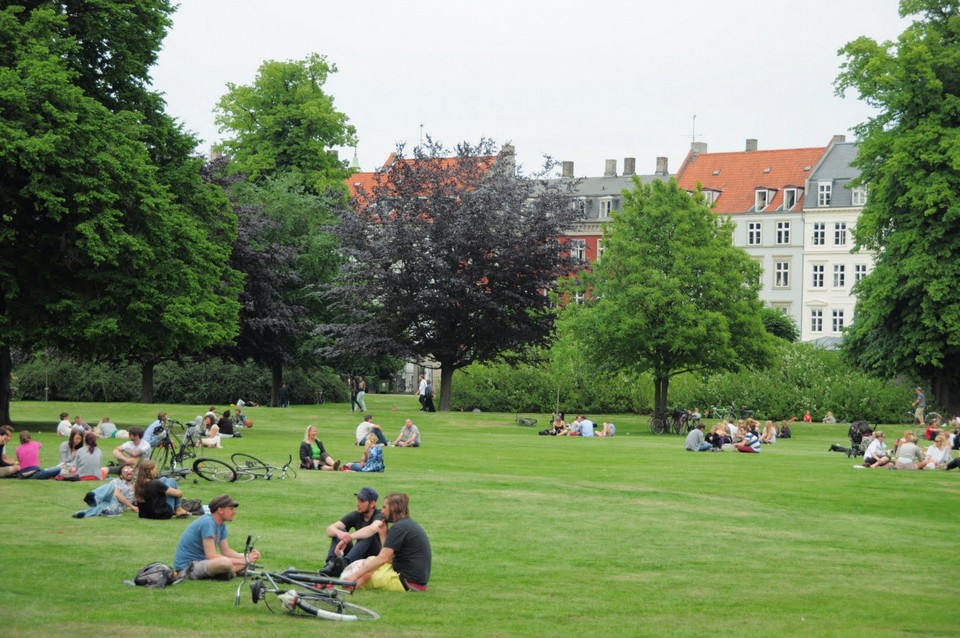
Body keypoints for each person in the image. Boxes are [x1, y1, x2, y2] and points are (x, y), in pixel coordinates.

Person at [341, 492, 431, 592]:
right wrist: (383, 534)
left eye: (384, 507)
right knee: (371, 560)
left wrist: (354, 575)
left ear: (393, 508)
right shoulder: (406, 524)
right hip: (415, 582)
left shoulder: (399, 528)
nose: (382, 512)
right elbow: (388, 559)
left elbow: (383, 558)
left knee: (362, 571)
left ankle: (353, 584)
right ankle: (356, 582)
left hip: (407, 583)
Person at [174, 494, 258, 580]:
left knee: (237, 559)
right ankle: (231, 571)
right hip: (188, 568)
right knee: (226, 563)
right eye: (231, 509)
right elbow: (212, 556)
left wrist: (249, 556)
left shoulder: (221, 524)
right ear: (220, 510)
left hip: (203, 563)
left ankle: (230, 571)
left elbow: (226, 552)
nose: (234, 512)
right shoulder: (208, 523)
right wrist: (245, 561)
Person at [319, 487, 385, 576]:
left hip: (374, 557)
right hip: (358, 554)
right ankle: (332, 564)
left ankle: (345, 563)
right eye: (358, 500)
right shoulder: (356, 515)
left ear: (372, 504)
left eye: (362, 501)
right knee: (339, 530)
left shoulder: (380, 515)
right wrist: (341, 534)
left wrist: (348, 538)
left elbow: (372, 529)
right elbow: (330, 530)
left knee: (367, 535)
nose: (358, 503)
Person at [73, 464, 138, 518]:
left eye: (131, 470)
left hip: (117, 506)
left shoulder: (137, 486)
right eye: (125, 471)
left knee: (101, 507)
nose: (129, 472)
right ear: (121, 475)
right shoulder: (117, 481)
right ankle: (93, 497)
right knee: (112, 485)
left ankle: (83, 514)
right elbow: (117, 494)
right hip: (110, 499)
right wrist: (131, 506)